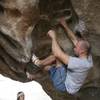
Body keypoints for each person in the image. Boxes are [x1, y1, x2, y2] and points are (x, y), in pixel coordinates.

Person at [31, 18, 93, 95]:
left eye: (76, 47)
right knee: (48, 67)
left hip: (63, 84)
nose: (74, 47)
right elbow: (74, 39)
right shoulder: (87, 56)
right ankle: (35, 74)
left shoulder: (79, 63)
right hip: (69, 79)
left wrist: (53, 37)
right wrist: (64, 25)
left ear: (82, 51)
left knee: (57, 59)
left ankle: (39, 63)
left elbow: (58, 53)